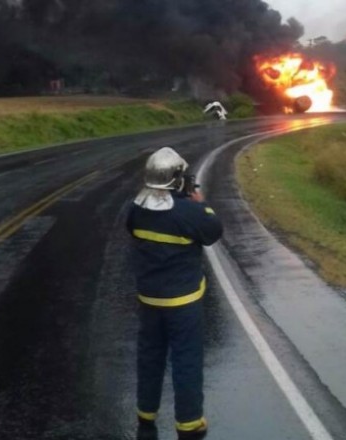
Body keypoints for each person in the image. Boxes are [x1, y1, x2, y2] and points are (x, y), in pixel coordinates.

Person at [126, 147, 223, 440]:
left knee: (150, 355)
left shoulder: (135, 209)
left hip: (149, 300)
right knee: (186, 359)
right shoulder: (189, 212)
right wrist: (200, 202)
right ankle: (189, 424)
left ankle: (146, 414)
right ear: (176, 180)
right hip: (183, 303)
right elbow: (213, 230)